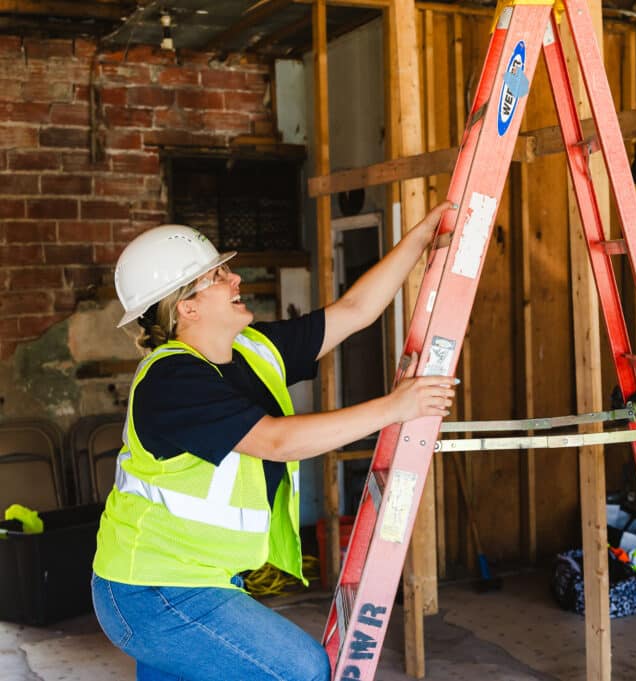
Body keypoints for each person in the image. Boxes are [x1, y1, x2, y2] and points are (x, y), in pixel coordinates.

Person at [92, 202, 457, 681]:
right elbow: (276, 441)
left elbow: (354, 311)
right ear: (188, 306)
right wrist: (394, 407)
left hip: (202, 579)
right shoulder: (171, 380)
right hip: (152, 590)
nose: (237, 280)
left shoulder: (253, 349)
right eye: (221, 276)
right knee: (302, 669)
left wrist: (419, 240)